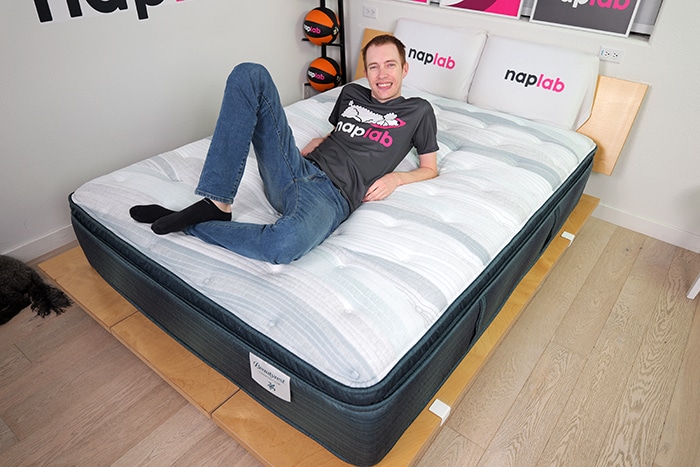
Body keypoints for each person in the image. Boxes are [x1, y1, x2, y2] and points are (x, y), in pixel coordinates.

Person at [130, 35, 439, 264]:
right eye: (374, 67)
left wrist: (396, 178)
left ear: (404, 69)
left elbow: (430, 168)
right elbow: (342, 130)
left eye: (390, 65)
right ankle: (217, 201)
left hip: (332, 198)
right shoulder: (351, 92)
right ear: (366, 71)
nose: (382, 75)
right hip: (296, 169)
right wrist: (323, 139)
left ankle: (190, 224)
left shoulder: (418, 110)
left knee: (284, 245)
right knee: (249, 73)